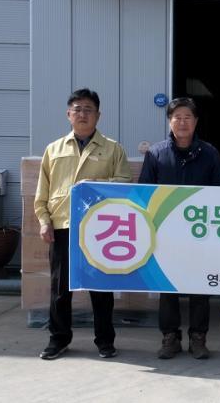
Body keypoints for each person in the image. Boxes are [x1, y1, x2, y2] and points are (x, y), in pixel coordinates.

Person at [35, 88, 132, 360]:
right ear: (68, 114)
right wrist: (44, 221)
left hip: (100, 228)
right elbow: (42, 192)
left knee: (100, 287)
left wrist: (95, 185)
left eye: (88, 109)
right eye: (77, 109)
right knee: (60, 288)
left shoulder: (113, 149)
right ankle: (58, 339)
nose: (82, 114)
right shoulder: (53, 150)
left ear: (98, 115)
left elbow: (125, 183)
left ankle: (105, 341)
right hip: (62, 226)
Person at [138, 97, 220, 360]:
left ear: (196, 121)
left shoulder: (209, 153)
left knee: (200, 286)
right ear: (169, 121)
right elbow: (144, 192)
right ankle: (170, 338)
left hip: (200, 233)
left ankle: (198, 338)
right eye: (177, 117)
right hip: (165, 234)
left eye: (188, 117)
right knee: (167, 286)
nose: (183, 122)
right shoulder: (156, 153)